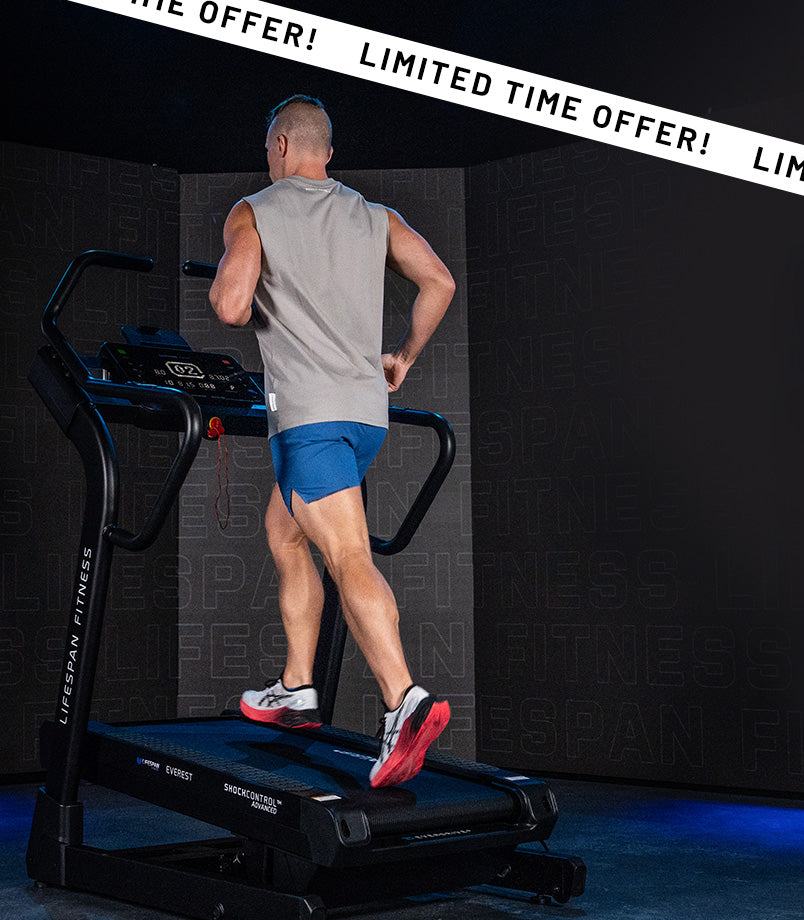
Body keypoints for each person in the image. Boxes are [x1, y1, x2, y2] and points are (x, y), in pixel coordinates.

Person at [207, 94, 456, 788]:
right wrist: (403, 357)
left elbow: (230, 305)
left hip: (309, 419)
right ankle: (297, 686)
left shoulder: (254, 211)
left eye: (268, 148)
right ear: (329, 153)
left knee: (347, 556)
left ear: (281, 146)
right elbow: (439, 281)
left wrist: (241, 271)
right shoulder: (375, 216)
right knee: (285, 531)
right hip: (365, 418)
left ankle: (404, 701)